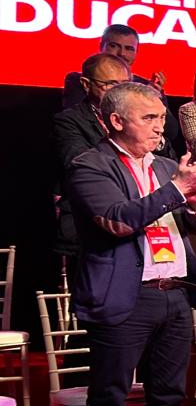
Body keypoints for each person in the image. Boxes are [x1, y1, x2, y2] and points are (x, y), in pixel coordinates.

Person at [65, 81, 196, 406]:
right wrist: (176, 190)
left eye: (160, 117)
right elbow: (117, 220)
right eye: (147, 118)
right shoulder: (89, 165)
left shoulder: (170, 165)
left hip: (172, 292)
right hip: (124, 297)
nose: (160, 127)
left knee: (169, 397)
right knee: (108, 402)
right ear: (116, 121)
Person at [54, 54, 129, 260]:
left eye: (126, 85)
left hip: (133, 220)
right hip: (88, 222)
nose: (121, 93)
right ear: (86, 84)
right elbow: (80, 164)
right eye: (111, 84)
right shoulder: (68, 121)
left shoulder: (138, 118)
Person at [62, 23, 159, 109]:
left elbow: (169, 128)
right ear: (101, 47)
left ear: (136, 52)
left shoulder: (147, 86)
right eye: (114, 46)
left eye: (129, 48)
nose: (122, 53)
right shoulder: (78, 80)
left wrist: (151, 97)